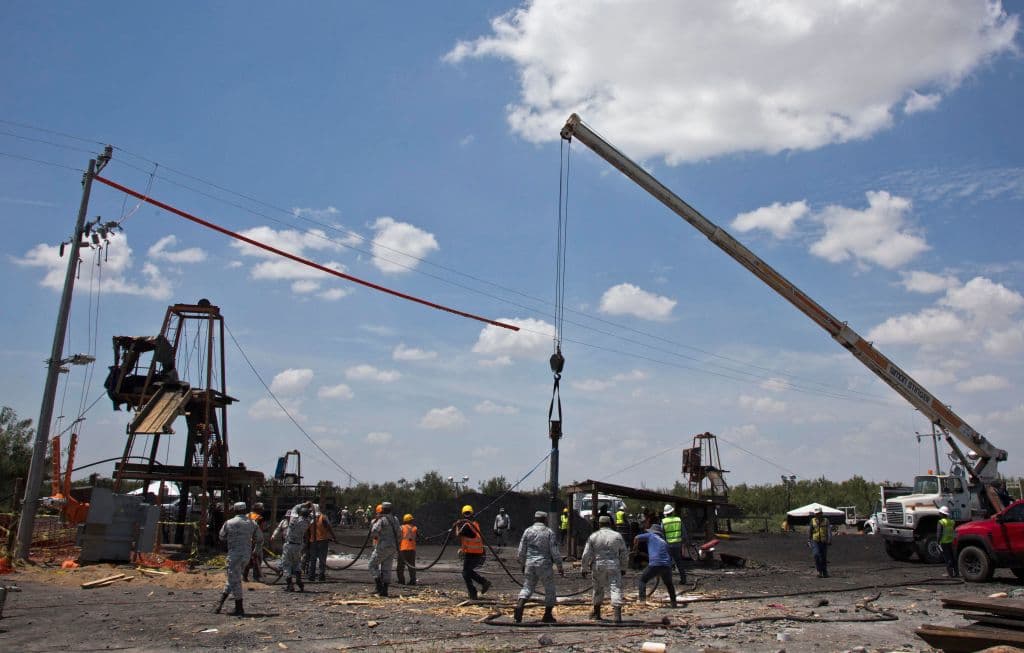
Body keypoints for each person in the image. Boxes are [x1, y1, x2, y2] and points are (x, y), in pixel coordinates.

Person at [514, 510, 564, 623]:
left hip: (530, 564)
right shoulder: (548, 532)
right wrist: (559, 566)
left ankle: (520, 605)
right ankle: (547, 615)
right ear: (545, 520)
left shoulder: (527, 531)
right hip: (544, 564)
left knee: (527, 587)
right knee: (549, 589)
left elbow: (521, 550)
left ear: (535, 519)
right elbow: (554, 551)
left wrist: (523, 563)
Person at [581, 514, 628, 623]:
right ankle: (617, 616)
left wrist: (584, 568)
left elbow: (586, 554)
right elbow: (624, 553)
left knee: (597, 588)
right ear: (610, 524)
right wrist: (624, 567)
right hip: (614, 564)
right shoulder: (617, 536)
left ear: (599, 524)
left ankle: (597, 613)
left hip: (598, 565)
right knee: (615, 588)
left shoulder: (593, 536)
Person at [215, 502, 257, 616]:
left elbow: (221, 536)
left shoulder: (229, 523)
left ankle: (239, 607)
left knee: (235, 580)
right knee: (233, 578)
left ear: (235, 510)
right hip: (246, 556)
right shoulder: (252, 523)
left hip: (234, 555)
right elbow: (259, 538)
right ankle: (219, 604)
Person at [634, 523, 677, 607]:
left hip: (655, 563)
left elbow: (637, 538)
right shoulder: (664, 542)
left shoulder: (650, 535)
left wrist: (635, 548)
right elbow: (668, 555)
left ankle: (642, 601)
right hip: (666, 565)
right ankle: (673, 602)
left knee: (643, 580)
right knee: (669, 584)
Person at [453, 505, 491, 600]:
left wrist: (457, 525)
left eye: (467, 513)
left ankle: (475, 590)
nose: (466, 515)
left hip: (473, 553)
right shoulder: (475, 524)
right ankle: (479, 586)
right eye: (466, 513)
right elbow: (469, 538)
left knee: (466, 572)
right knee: (467, 572)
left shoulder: (467, 525)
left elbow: (458, 534)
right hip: (476, 552)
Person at [273, 502, 312, 592]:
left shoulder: (293, 519)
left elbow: (295, 507)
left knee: (286, 565)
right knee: (297, 563)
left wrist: (305, 503)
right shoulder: (307, 522)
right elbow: (311, 516)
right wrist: (311, 508)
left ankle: (290, 585)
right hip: (299, 546)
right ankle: (298, 580)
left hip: (289, 545)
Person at [369, 501, 401, 596]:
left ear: (383, 509)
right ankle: (385, 591)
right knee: (387, 569)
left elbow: (374, 531)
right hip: (393, 547)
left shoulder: (382, 519)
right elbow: (399, 533)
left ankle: (379, 586)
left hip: (383, 546)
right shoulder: (395, 519)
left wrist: (378, 536)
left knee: (372, 565)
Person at [306, 506, 336, 581]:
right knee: (322, 559)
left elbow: (307, 531)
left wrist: (308, 541)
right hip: (323, 541)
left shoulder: (310, 519)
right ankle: (321, 576)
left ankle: (311, 576)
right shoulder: (323, 517)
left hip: (313, 541)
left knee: (312, 559)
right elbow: (329, 527)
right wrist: (334, 537)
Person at [660, 504, 688, 584]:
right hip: (677, 545)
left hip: (668, 545)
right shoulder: (678, 520)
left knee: (667, 563)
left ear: (666, 513)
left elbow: (662, 534)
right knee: (679, 562)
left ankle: (668, 580)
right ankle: (683, 579)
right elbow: (684, 533)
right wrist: (684, 542)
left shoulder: (663, 522)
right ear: (672, 512)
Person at [243, 503, 266, 582]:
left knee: (248, 559)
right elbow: (261, 530)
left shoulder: (246, 516)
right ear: (258, 509)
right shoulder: (259, 518)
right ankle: (256, 577)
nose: (263, 510)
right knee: (258, 558)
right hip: (256, 541)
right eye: (262, 509)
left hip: (246, 540)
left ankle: (245, 576)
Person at [808, 507, 832, 578]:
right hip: (815, 541)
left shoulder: (826, 520)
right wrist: (809, 540)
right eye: (816, 514)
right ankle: (819, 571)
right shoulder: (812, 521)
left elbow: (829, 531)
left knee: (823, 557)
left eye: (818, 513)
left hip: (824, 541)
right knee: (816, 555)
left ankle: (824, 572)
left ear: (821, 513)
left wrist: (829, 539)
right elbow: (810, 531)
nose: (817, 515)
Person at [936, 506, 958, 578]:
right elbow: (954, 532)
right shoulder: (952, 522)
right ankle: (956, 573)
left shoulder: (941, 522)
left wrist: (938, 541)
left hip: (944, 542)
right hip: (951, 542)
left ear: (942, 514)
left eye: (940, 513)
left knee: (947, 558)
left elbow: (939, 533)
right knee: (953, 557)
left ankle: (950, 574)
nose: (939, 514)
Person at [396, 513, 418, 585]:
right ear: (411, 520)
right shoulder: (415, 528)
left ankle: (401, 581)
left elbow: (398, 538)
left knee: (400, 566)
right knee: (411, 566)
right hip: (412, 549)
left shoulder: (401, 527)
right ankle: (413, 580)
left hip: (403, 549)